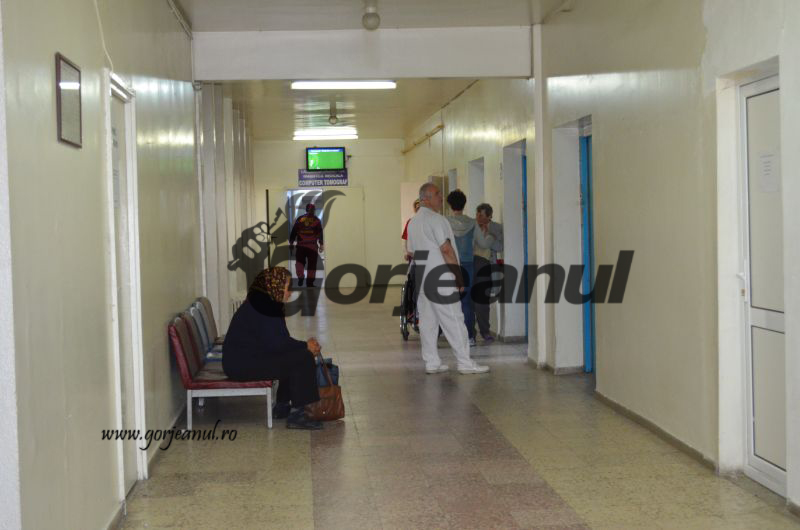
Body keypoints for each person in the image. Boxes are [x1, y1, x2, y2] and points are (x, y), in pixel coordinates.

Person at [222, 267, 324, 430]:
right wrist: (306, 346)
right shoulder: (264, 307)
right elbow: (278, 344)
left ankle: (282, 406)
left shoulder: (263, 302)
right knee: (303, 358)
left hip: (245, 360)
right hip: (241, 365)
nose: (290, 293)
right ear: (275, 286)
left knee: (295, 354)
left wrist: (303, 346)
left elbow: (279, 341)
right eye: (288, 287)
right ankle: (298, 415)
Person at [407, 182, 489, 375]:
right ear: (426, 198)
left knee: (428, 322)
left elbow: (411, 251)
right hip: (441, 277)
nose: (441, 198)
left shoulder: (413, 222)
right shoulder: (437, 219)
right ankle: (465, 363)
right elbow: (446, 249)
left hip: (423, 277)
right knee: (454, 319)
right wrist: (458, 277)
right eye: (437, 194)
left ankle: (432, 362)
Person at [445, 190, 478, 346]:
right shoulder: (473, 223)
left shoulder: (445, 222)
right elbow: (480, 243)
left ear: (450, 205)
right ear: (464, 204)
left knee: (449, 302)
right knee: (466, 302)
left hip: (450, 264)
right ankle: (470, 337)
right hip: (468, 264)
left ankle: (453, 336)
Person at [473, 203, 504, 342]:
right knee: (469, 301)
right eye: (477, 214)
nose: (478, 218)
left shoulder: (496, 228)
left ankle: (485, 331)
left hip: (487, 266)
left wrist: (488, 238)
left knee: (483, 301)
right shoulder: (472, 226)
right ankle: (470, 332)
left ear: (490, 216)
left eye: (481, 215)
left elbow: (499, 247)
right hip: (471, 265)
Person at [289, 203, 324, 287]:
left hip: (301, 246)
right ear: (313, 210)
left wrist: (291, 242)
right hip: (312, 246)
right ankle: (310, 283)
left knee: (299, 263)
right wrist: (321, 244)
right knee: (312, 265)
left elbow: (294, 231)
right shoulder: (316, 220)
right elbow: (320, 233)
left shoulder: (300, 219)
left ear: (306, 210)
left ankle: (300, 276)